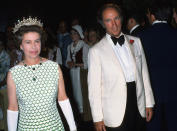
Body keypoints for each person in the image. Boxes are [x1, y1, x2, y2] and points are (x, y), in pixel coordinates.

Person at [88, 3, 155, 131]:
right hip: (114, 112)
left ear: (122, 19)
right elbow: (94, 89)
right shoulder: (96, 51)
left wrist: (149, 103)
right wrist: (97, 118)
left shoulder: (136, 42)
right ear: (103, 23)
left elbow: (144, 75)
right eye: (108, 20)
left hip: (138, 105)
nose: (114, 24)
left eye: (116, 18)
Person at [7, 16, 77, 131]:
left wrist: (73, 127)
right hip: (27, 128)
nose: (33, 46)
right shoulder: (13, 74)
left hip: (54, 127)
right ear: (21, 45)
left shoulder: (54, 67)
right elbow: (13, 108)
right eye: (28, 42)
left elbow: (63, 99)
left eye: (37, 41)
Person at [138, 2, 177, 131]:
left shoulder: (141, 37)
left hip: (152, 92)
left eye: (148, 14)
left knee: (153, 126)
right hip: (174, 90)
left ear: (152, 16)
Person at [66, 25, 89, 119]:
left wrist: (75, 64)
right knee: (75, 92)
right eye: (71, 34)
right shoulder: (69, 47)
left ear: (79, 34)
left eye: (75, 33)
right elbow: (67, 60)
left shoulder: (85, 46)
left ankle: (85, 114)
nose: (72, 35)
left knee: (82, 92)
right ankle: (79, 114)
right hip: (73, 73)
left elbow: (87, 64)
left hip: (82, 73)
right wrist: (69, 64)